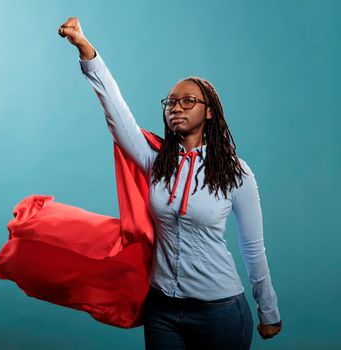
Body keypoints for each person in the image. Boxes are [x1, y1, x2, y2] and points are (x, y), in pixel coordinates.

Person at [58, 16, 282, 350]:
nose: (176, 108)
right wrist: (86, 50)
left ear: (209, 112)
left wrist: (268, 310)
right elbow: (117, 117)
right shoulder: (156, 163)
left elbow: (253, 249)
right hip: (162, 307)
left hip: (219, 311)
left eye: (188, 101)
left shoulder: (237, 174)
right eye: (171, 102)